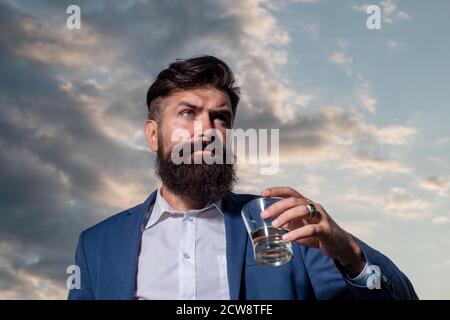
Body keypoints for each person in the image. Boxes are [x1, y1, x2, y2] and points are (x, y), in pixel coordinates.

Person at [68, 55, 418, 300]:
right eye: (188, 113)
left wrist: (350, 252)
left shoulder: (281, 223)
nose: (206, 130)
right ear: (153, 135)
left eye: (220, 118)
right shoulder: (98, 244)